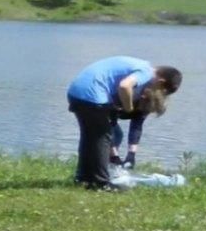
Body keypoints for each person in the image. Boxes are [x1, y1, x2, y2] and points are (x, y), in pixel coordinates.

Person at [66, 57, 183, 189]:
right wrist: (129, 107)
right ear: (161, 81)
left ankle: (83, 178)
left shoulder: (141, 65)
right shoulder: (146, 73)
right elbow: (125, 85)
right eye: (161, 90)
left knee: (90, 139)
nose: (157, 92)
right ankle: (101, 183)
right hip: (92, 96)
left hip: (77, 93)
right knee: (102, 138)